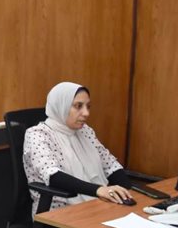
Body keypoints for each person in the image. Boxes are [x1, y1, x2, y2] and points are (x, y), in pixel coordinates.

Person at [23, 81, 133, 215]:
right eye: (78, 106)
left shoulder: (85, 131)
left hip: (97, 203)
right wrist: (99, 190)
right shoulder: (37, 134)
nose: (86, 113)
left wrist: (130, 192)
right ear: (61, 106)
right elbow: (52, 175)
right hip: (58, 211)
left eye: (88, 106)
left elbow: (110, 165)